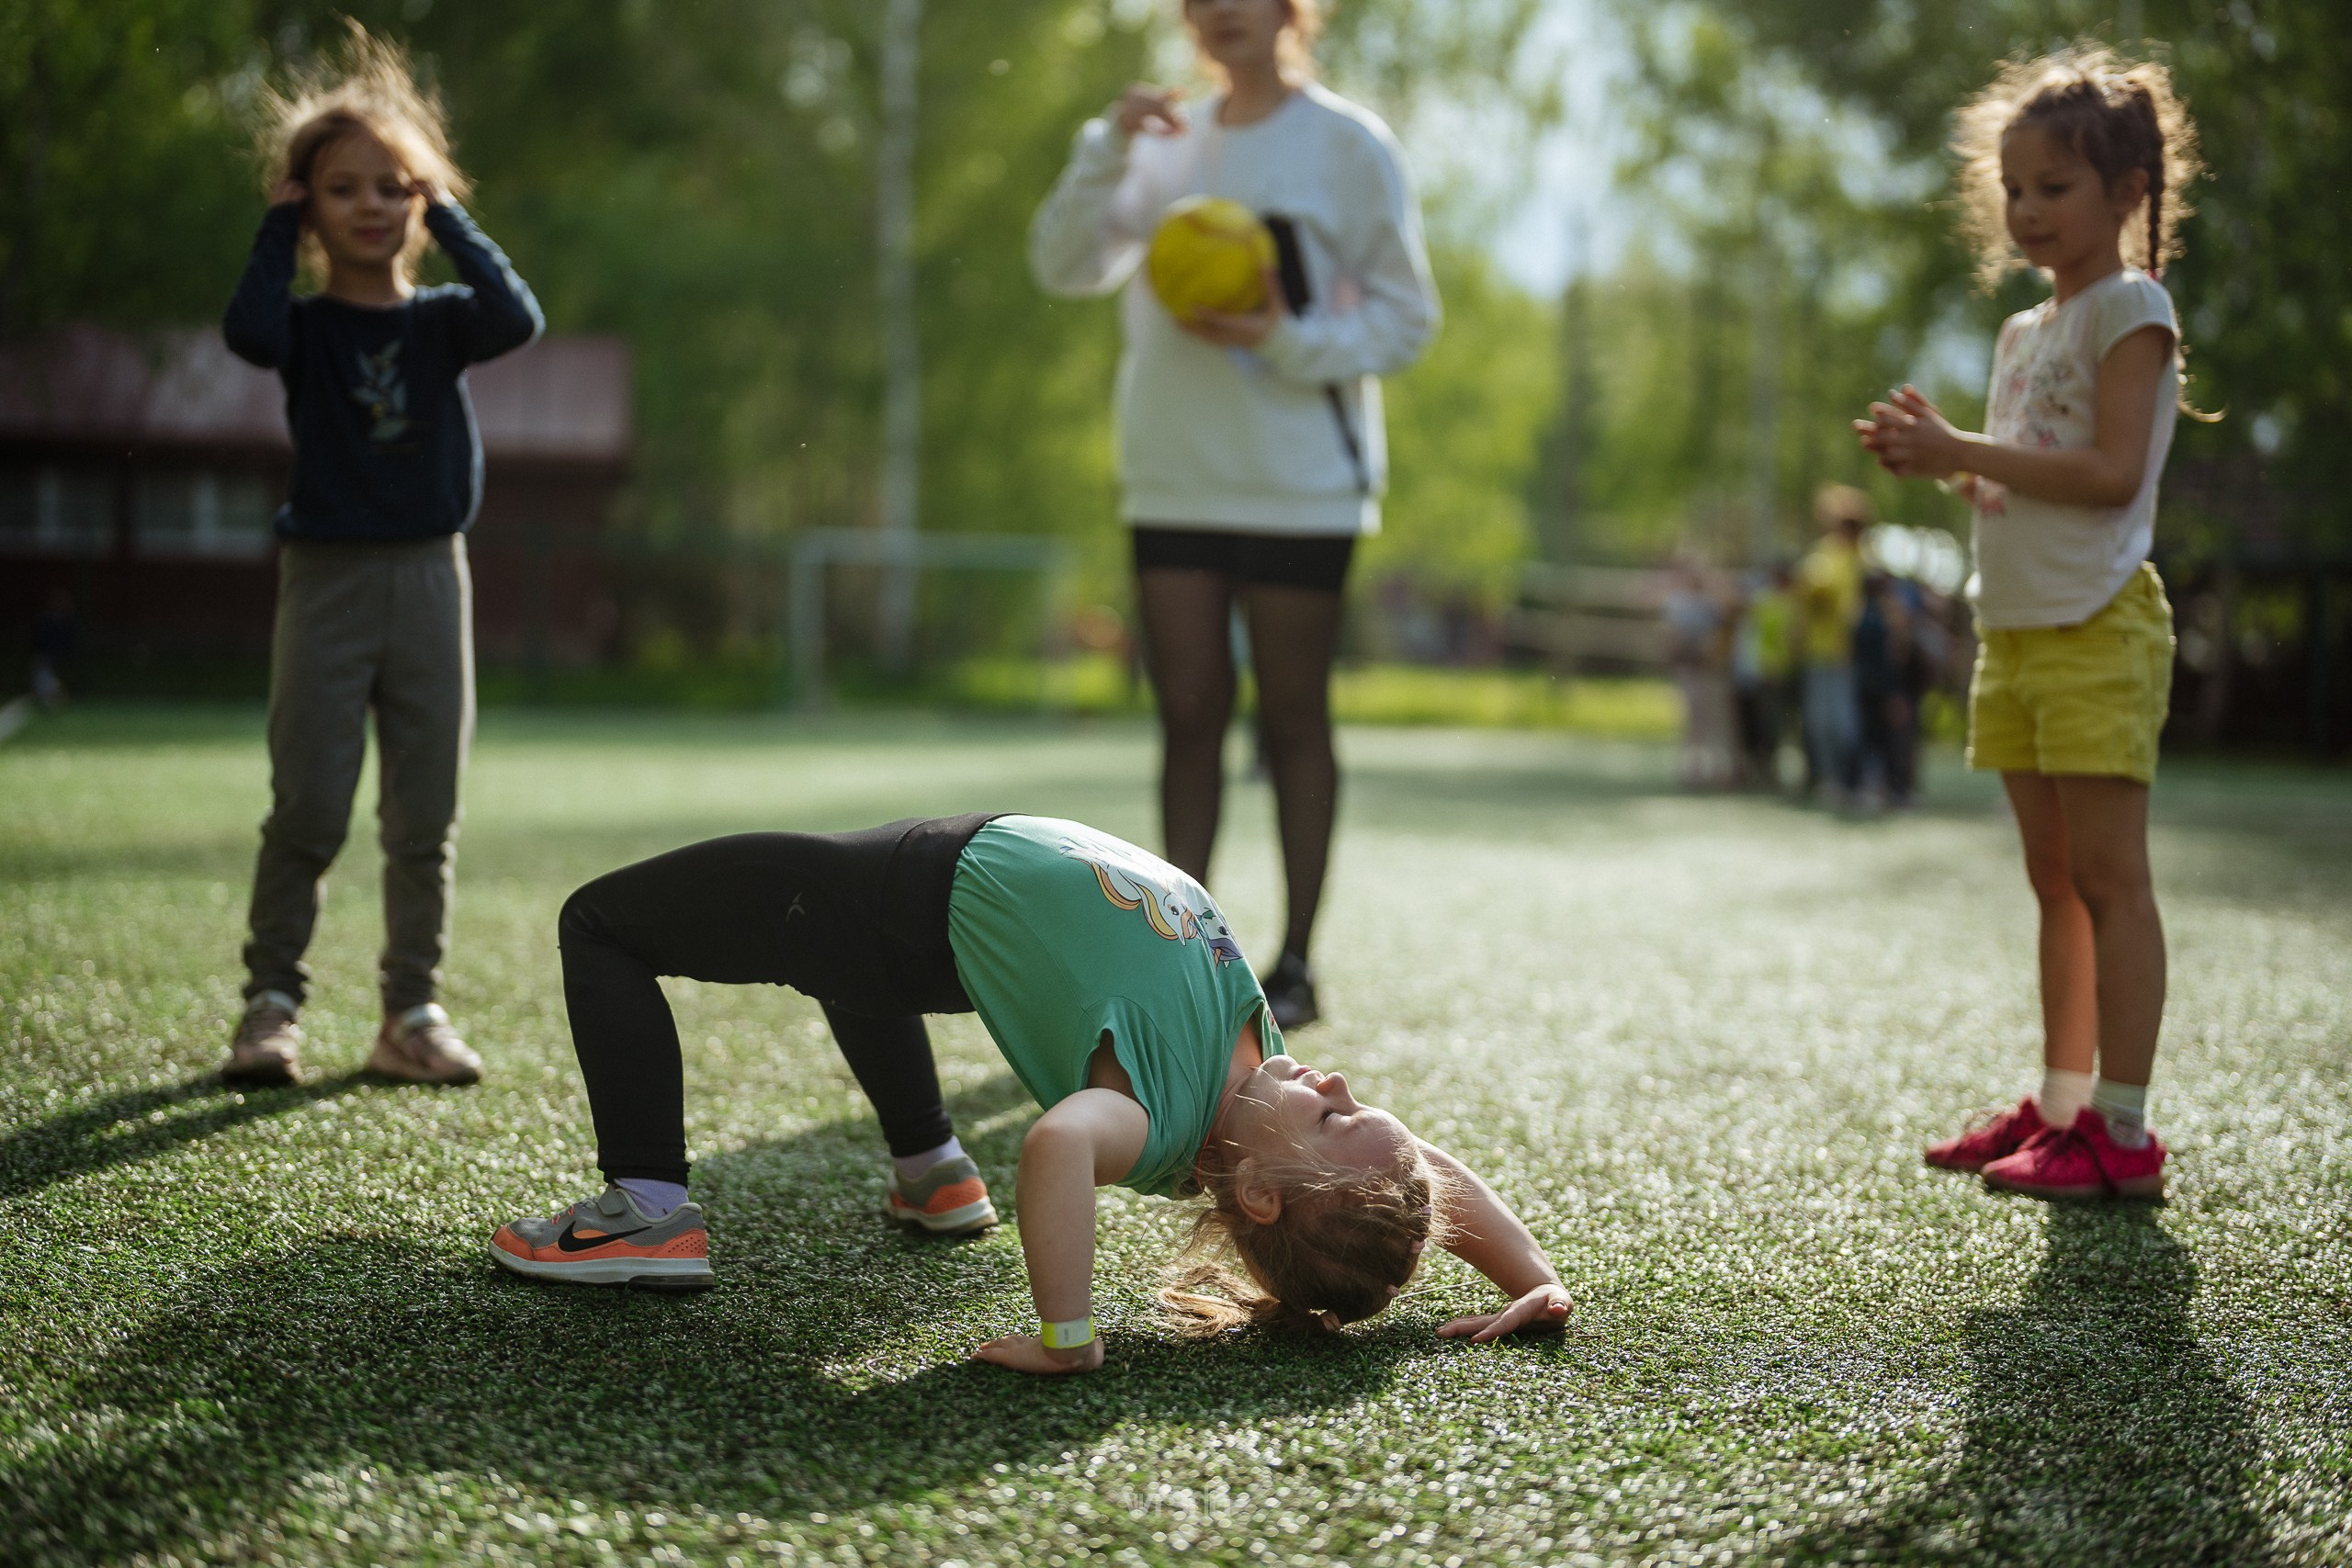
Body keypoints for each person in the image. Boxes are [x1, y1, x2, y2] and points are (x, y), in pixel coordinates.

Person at [490, 814, 1571, 1375]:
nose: (1333, 1081)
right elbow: (1426, 1169)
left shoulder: (1151, 1119)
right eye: (1354, 1096)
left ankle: (644, 1209)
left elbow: (1057, 1144)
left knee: (603, 922)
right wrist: (1532, 1277)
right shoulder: (1261, 1078)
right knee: (839, 953)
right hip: (931, 909)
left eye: (1334, 1115)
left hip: (914, 895)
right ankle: (932, 1173)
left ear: (1262, 1197)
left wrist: (1068, 1333)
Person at [1028, 0, 1441, 1030]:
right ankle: (1177, 961)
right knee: (1188, 716)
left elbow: (1406, 319)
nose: (1223, 9)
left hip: (1304, 484)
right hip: (1172, 476)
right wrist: (1103, 147)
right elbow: (1063, 266)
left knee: (1293, 717)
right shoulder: (1158, 140)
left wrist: (1280, 336)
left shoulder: (1346, 145)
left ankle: (1296, 962)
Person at [1856, 47, 2200, 1200]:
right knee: (2054, 882)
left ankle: (2125, 1128)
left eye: (2054, 186)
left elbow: (2106, 473)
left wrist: (1960, 448)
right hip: (2012, 632)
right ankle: (2059, 1106)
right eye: (2013, 188)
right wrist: (1944, 465)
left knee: (2112, 880)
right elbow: (2022, 480)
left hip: (2097, 626)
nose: (2026, 208)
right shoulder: (2018, 334)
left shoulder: (2130, 309)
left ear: (2128, 191)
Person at [218, 25, 543, 1088]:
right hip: (327, 582)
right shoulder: (304, 330)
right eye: (343, 187)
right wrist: (275, 225)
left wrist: (444, 204)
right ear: (307, 206)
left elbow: (518, 314)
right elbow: (248, 332)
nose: (371, 204)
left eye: (392, 186)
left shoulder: (447, 321)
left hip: (429, 577)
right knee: (309, 803)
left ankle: (410, 1012)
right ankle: (270, 1004)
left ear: (420, 203)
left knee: (425, 815)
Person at [1797, 486, 1869, 804]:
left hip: (1847, 652)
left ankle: (1853, 778)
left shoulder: (1860, 557)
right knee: (1820, 720)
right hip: (1818, 649)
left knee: (1844, 721)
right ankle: (1829, 779)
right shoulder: (1823, 553)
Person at [1663, 555, 1735, 789]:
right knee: (1693, 720)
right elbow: (1672, 637)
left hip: (1710, 669)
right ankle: (1693, 768)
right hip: (1690, 668)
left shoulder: (1711, 604)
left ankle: (1716, 769)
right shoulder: (1679, 604)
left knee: (1714, 720)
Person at [1730, 564, 1795, 789]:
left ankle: (1766, 770)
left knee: (1769, 726)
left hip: (1767, 673)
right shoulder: (1762, 606)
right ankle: (1754, 770)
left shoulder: (1773, 605)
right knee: (1754, 725)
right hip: (1753, 674)